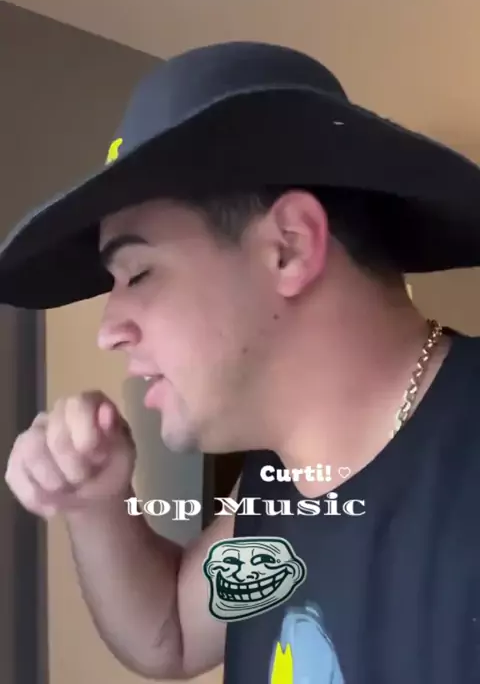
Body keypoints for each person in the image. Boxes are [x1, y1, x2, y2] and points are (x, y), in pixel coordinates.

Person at [3, 41, 480, 683]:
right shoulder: (281, 481)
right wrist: (98, 503)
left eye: (139, 273)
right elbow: (171, 636)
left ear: (288, 248)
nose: (109, 331)